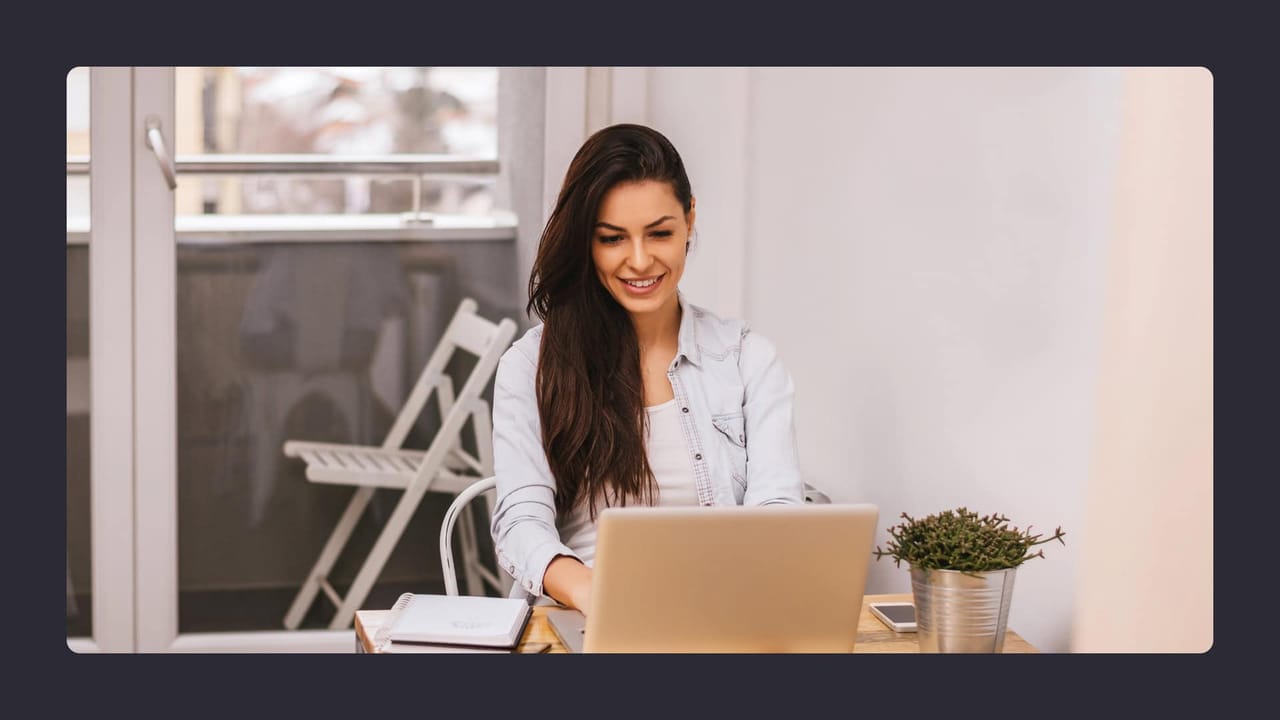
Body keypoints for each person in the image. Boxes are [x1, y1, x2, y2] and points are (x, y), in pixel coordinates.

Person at [489, 123, 804, 613]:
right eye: (613, 239)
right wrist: (597, 595)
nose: (639, 261)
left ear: (689, 219)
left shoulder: (747, 360)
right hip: (584, 616)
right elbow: (521, 522)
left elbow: (777, 509)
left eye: (659, 233)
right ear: (585, 242)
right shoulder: (531, 367)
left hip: (720, 615)